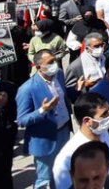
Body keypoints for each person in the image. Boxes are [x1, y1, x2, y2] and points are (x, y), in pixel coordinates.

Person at [17, 49, 77, 189]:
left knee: (63, 169)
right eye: (50, 62)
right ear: (38, 67)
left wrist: (77, 89)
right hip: (45, 140)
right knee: (44, 178)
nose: (54, 64)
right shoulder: (27, 88)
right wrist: (43, 110)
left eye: (54, 60)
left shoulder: (60, 75)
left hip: (64, 131)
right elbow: (22, 120)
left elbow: (65, 96)